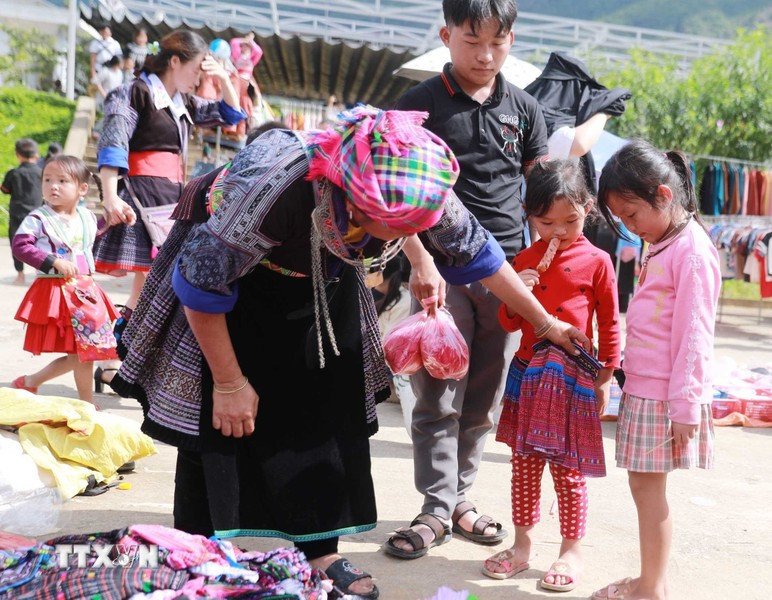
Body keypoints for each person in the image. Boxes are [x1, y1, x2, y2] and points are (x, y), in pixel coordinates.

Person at [108, 107, 588, 598]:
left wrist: (546, 323)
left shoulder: (413, 177)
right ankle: (198, 549)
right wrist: (230, 382)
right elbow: (202, 285)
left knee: (327, 412)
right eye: (388, 227)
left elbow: (478, 252)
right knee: (219, 418)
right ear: (350, 198)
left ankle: (319, 550)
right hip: (233, 288)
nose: (397, 238)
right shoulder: (275, 186)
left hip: (326, 281)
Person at [388, 0, 549, 557]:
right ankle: (435, 506)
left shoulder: (526, 109)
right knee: (436, 392)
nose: (485, 55)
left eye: (498, 42)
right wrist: (420, 260)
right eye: (471, 40)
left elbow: (541, 195)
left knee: (484, 395)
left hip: (508, 272)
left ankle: (461, 499)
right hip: (442, 272)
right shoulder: (418, 105)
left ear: (511, 38)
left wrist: (546, 264)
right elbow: (396, 196)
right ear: (446, 35)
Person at [481, 159, 621, 591]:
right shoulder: (521, 260)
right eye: (547, 222)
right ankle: (522, 547)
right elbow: (507, 324)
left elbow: (610, 324)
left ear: (589, 208)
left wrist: (605, 379)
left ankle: (570, 550)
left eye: (570, 220)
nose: (558, 232)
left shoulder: (598, 261)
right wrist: (515, 290)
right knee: (523, 465)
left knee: (568, 469)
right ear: (528, 215)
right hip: (528, 375)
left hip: (573, 379)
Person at [591, 140, 720, 600]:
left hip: (665, 397)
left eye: (631, 216)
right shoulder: (664, 240)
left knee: (648, 493)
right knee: (644, 489)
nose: (628, 227)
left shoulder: (691, 252)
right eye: (621, 220)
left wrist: (686, 405)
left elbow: (694, 336)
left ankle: (650, 590)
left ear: (664, 196)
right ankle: (652, 581)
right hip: (648, 389)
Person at [92, 29, 246, 390]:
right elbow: (114, 142)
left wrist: (222, 77)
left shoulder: (181, 101)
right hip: (141, 197)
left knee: (149, 287)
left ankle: (118, 362)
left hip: (171, 200)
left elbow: (231, 113)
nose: (200, 77)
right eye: (197, 69)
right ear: (175, 61)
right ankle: (114, 360)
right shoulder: (134, 91)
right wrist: (110, 196)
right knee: (150, 285)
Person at [10, 156, 119, 404]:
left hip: (85, 292)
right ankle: (82, 402)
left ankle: (31, 383)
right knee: (79, 352)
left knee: (84, 352)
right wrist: (52, 261)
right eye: (47, 180)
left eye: (62, 180)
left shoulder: (87, 217)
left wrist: (115, 218)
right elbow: (20, 245)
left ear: (82, 189)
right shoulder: (38, 218)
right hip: (55, 292)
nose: (53, 186)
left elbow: (96, 234)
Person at [2, 138, 42, 285]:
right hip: (38, 215)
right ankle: (40, 273)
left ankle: (20, 275)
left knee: (16, 244)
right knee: (39, 244)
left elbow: (5, 190)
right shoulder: (42, 173)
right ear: (35, 154)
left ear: (18, 155)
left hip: (17, 215)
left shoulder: (14, 173)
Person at [229, 33, 263, 137]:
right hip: (238, 83)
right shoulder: (237, 56)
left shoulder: (252, 58)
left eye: (247, 46)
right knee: (234, 103)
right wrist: (244, 40)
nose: (244, 47)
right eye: (243, 46)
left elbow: (259, 51)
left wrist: (251, 42)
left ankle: (243, 130)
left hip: (247, 84)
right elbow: (233, 42)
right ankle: (231, 129)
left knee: (246, 105)